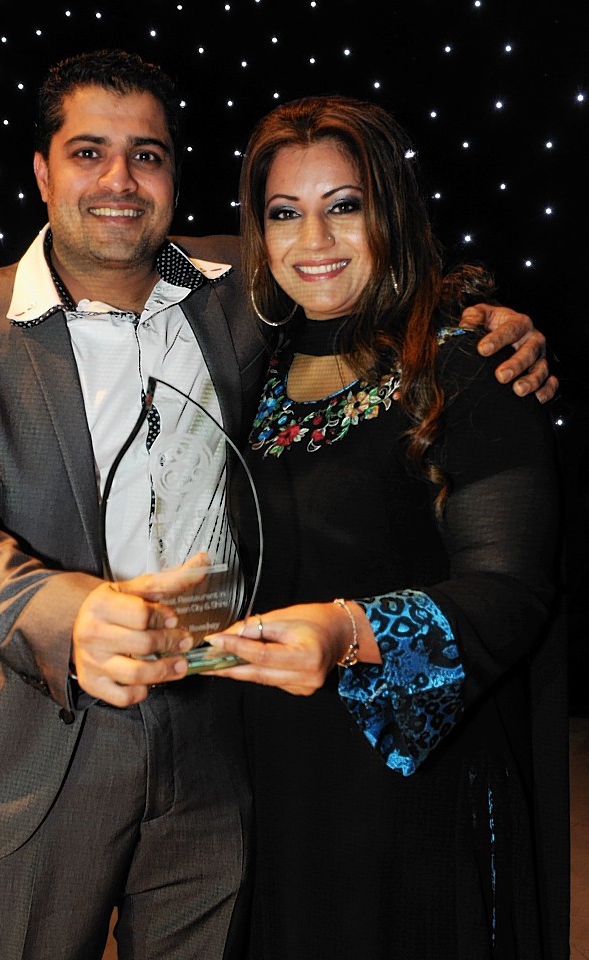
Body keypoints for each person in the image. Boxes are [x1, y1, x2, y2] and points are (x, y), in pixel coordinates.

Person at [0, 49, 556, 960]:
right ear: (41, 171)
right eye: (88, 152)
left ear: (173, 173)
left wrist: (478, 315)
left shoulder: (235, 292)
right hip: (44, 732)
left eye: (147, 154)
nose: (119, 181)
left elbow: (369, 273)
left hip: (222, 734)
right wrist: (70, 616)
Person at [206, 96, 567, 959]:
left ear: (390, 212)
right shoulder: (254, 363)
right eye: (285, 213)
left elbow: (512, 590)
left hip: (414, 777)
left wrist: (349, 628)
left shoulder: (467, 367)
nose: (315, 242)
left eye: (346, 206)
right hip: (277, 775)